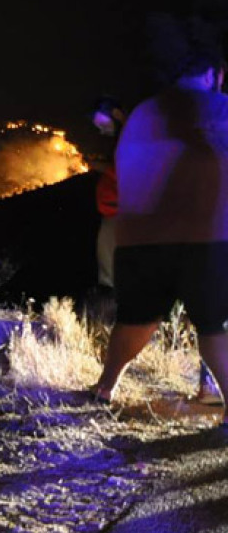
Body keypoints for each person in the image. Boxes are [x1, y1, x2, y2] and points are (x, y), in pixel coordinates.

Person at [90, 44, 228, 430]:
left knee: (135, 320)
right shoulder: (221, 109)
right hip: (206, 237)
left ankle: (104, 389)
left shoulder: (144, 113)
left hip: (138, 239)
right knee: (215, 324)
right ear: (215, 74)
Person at [90, 96, 124, 292]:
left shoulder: (131, 138)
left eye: (103, 124)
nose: (101, 130)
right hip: (113, 213)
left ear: (117, 115)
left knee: (111, 274)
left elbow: (127, 172)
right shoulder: (124, 139)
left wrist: (101, 167)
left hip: (120, 215)